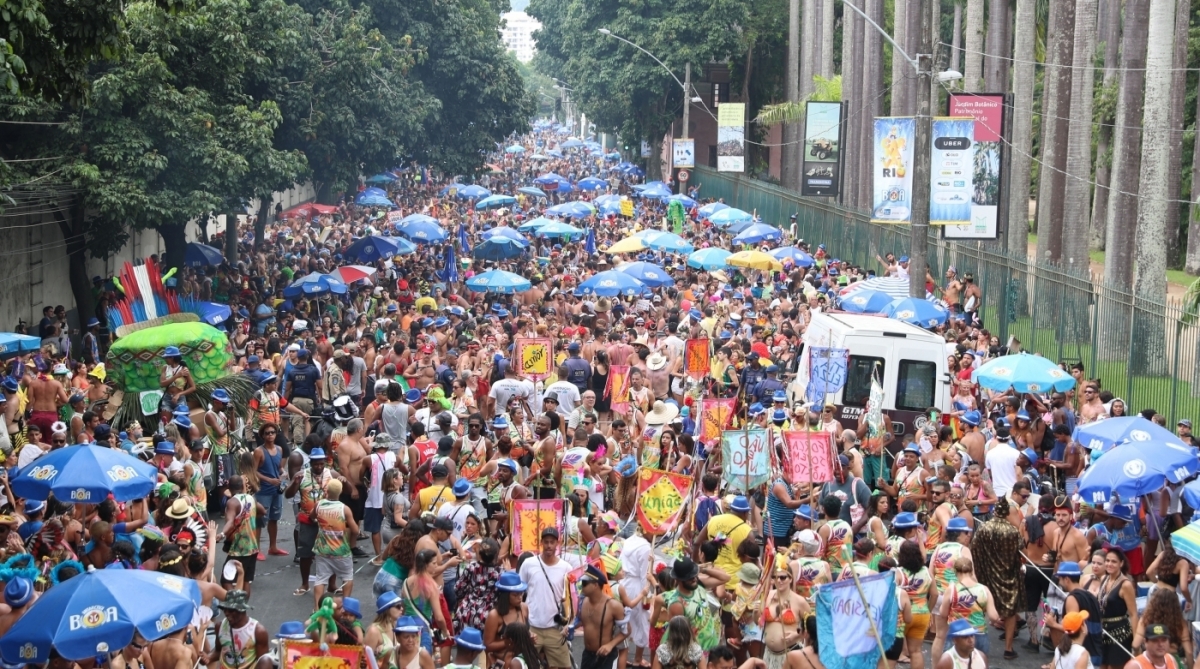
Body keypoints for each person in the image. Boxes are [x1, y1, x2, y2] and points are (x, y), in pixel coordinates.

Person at [518, 527, 573, 669]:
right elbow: (518, 593)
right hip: (532, 628)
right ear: (541, 542)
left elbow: (571, 599)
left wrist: (569, 622)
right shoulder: (528, 564)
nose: (549, 545)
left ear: (557, 543)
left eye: (552, 542)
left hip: (554, 629)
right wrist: (522, 622)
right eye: (546, 542)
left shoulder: (566, 567)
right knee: (526, 665)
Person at [312, 478, 359, 608]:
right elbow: (356, 530)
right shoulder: (344, 509)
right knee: (347, 577)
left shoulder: (319, 505)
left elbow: (312, 517)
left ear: (326, 491)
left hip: (323, 549)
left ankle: (317, 608)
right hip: (341, 550)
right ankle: (345, 606)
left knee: (320, 579)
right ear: (341, 492)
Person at [219, 475, 263, 597]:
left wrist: (222, 534)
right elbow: (263, 511)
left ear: (229, 487)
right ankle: (243, 608)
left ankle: (235, 605)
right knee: (245, 580)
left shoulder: (232, 502)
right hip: (253, 546)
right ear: (242, 486)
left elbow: (230, 522)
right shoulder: (251, 498)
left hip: (239, 548)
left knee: (226, 580)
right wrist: (250, 519)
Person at [580, 563, 629, 669]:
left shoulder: (613, 605)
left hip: (605, 658)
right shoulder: (583, 601)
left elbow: (626, 631)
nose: (581, 586)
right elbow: (581, 620)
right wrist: (569, 627)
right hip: (587, 656)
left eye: (584, 583)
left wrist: (610, 645)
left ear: (595, 585)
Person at [210, 590, 271, 669]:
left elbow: (262, 662)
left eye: (231, 610)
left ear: (242, 610)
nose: (227, 613)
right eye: (225, 609)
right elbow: (218, 651)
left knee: (266, 660)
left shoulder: (258, 631)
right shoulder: (219, 626)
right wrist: (208, 658)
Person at [252, 423, 287, 558]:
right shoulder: (259, 451)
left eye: (272, 432)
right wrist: (269, 480)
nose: (270, 435)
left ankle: (273, 547)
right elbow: (253, 472)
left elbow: (278, 468)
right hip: (264, 490)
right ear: (262, 435)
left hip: (276, 489)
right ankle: (256, 549)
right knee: (260, 519)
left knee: (274, 518)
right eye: (267, 433)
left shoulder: (279, 449)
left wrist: (283, 472)